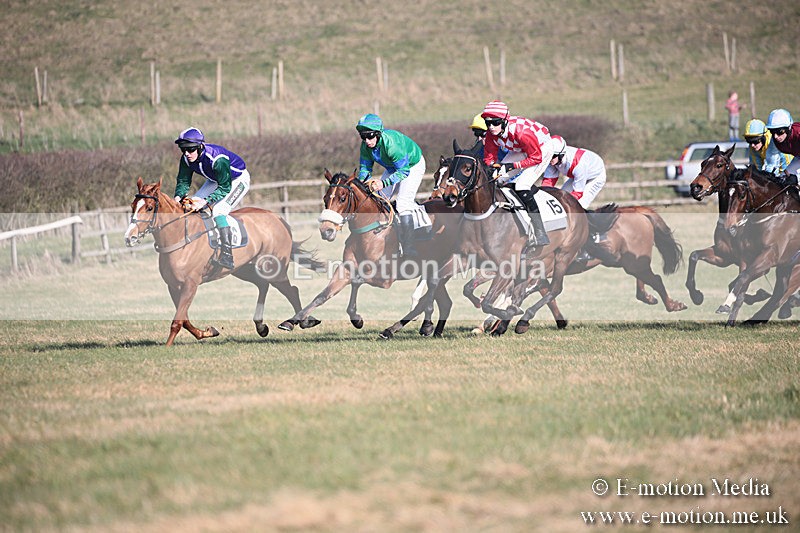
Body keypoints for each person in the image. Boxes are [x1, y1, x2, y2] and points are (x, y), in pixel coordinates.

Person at [173, 127, 250, 269]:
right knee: (191, 204)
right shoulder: (186, 159)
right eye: (183, 149)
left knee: (219, 210)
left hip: (236, 180)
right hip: (216, 180)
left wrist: (206, 201)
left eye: (190, 149)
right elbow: (184, 181)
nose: (187, 153)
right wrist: (178, 197)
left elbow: (225, 187)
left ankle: (227, 255)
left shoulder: (216, 159)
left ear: (200, 146)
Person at [481, 100, 553, 246]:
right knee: (495, 180)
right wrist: (492, 167)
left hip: (541, 149)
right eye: (487, 123)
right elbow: (489, 157)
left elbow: (535, 157)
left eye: (495, 122)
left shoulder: (521, 132)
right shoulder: (491, 133)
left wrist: (512, 166)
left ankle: (540, 231)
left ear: (504, 121)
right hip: (520, 149)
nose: (491, 127)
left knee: (521, 185)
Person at [356, 113, 426, 257]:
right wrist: (360, 184)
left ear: (378, 134)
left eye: (370, 136)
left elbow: (404, 171)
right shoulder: (365, 146)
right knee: (379, 200)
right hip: (393, 168)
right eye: (363, 137)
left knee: (402, 203)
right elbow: (365, 169)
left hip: (412, 165)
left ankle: (409, 247)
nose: (367, 141)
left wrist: (383, 183)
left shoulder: (391, 144)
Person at [540, 135, 606, 209]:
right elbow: (548, 184)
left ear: (561, 155)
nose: (549, 158)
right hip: (578, 174)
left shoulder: (578, 165)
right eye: (548, 155)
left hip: (595, 177)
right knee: (560, 200)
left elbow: (578, 193)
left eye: (552, 156)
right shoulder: (553, 159)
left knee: (578, 206)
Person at [766, 108, 800, 183]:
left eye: (779, 131)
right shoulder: (774, 140)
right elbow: (771, 163)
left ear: (789, 128)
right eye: (772, 131)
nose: (775, 136)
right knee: (782, 180)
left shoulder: (798, 134)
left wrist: (798, 177)